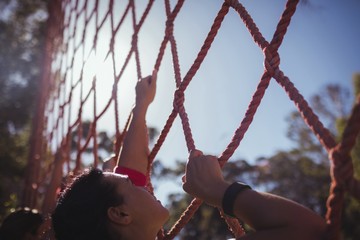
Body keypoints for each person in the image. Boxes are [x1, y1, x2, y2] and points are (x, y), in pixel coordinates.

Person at [52, 71, 326, 240]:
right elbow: (314, 233)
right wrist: (220, 190)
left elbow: (128, 170)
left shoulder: (119, 212)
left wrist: (140, 107)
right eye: (131, 184)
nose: (140, 181)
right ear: (121, 214)